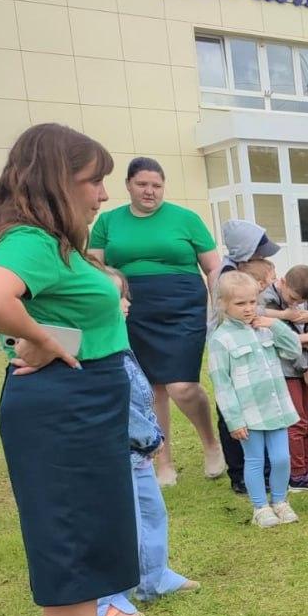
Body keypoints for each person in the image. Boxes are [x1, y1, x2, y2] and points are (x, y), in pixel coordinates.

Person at [0, 123, 171, 616]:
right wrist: (41, 338)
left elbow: (45, 308)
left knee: (92, 526)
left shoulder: (49, 241)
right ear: (54, 180)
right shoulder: (30, 239)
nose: (103, 194)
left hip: (82, 397)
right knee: (70, 534)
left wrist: (47, 334)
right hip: (63, 405)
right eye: (92, 180)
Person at [88, 156, 224, 487]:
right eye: (142, 184)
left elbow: (213, 266)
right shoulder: (108, 221)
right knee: (151, 389)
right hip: (133, 309)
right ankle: (163, 461)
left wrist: (219, 306)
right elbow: (94, 267)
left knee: (182, 385)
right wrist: (113, 296)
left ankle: (211, 444)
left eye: (157, 186)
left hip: (182, 307)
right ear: (129, 186)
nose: (150, 191)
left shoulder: (186, 219)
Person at [107, 268, 200, 609]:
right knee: (122, 525)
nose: (128, 302)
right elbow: (117, 401)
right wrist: (150, 437)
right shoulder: (99, 349)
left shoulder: (120, 339)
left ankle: (154, 576)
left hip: (139, 453)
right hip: (120, 453)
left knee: (152, 513)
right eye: (120, 296)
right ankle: (109, 598)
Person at [208, 271, 302, 527]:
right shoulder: (221, 339)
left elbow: (294, 350)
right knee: (255, 460)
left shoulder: (265, 329)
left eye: (252, 301)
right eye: (240, 303)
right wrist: (234, 419)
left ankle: (281, 501)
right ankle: (260, 507)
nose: (248, 308)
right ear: (223, 305)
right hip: (248, 414)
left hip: (276, 407)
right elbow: (222, 384)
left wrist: (276, 325)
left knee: (282, 458)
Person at [216, 220, 285, 494]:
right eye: (259, 253)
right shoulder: (226, 277)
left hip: (253, 344)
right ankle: (240, 473)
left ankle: (263, 468)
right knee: (231, 409)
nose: (264, 259)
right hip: (231, 348)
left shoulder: (247, 275)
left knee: (258, 405)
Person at [260, 264, 308, 492]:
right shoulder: (266, 300)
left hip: (304, 366)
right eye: (292, 298)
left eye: (299, 301)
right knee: (297, 421)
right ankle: (296, 474)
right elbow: (284, 342)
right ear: (282, 282)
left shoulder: (301, 300)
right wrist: (305, 368)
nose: (295, 304)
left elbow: (307, 329)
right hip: (287, 369)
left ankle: (307, 468)